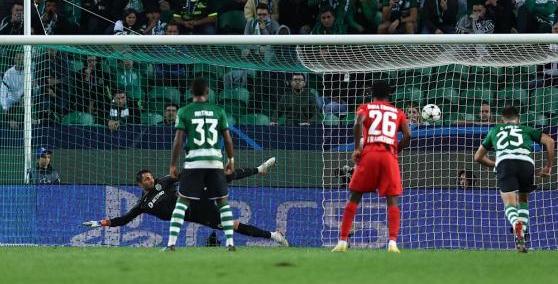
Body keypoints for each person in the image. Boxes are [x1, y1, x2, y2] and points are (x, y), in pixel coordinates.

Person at [82, 161, 288, 247]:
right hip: (195, 214)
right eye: (145, 179)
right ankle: (274, 236)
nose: (150, 180)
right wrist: (101, 223)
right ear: (139, 184)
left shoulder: (163, 182)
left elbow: (182, 174)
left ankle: (258, 169)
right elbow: (123, 220)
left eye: (150, 177)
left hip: (193, 196)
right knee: (232, 225)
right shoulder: (143, 204)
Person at [332, 80, 412, 253]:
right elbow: (408, 135)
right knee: (392, 199)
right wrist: (395, 149)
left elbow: (358, 123)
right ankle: (392, 243)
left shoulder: (365, 108)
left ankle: (342, 241)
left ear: (371, 93)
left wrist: (358, 148)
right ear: (389, 94)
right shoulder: (397, 111)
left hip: (370, 153)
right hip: (388, 155)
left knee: (355, 197)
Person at [163, 78, 237, 251]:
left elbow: (178, 140)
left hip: (194, 161)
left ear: (190, 93)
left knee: (182, 202)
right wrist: (231, 160)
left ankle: (171, 243)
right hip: (215, 160)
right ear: (207, 91)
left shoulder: (184, 111)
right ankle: (230, 243)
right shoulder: (219, 110)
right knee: (222, 201)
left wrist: (173, 164)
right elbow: (227, 138)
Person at [473, 106, 554, 252]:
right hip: (526, 162)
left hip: (505, 162)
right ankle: (521, 231)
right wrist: (548, 166)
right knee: (523, 199)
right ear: (518, 120)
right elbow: (550, 141)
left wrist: (496, 164)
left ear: (502, 119)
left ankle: (516, 223)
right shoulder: (525, 129)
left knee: (509, 202)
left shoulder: (495, 129)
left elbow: (477, 157)